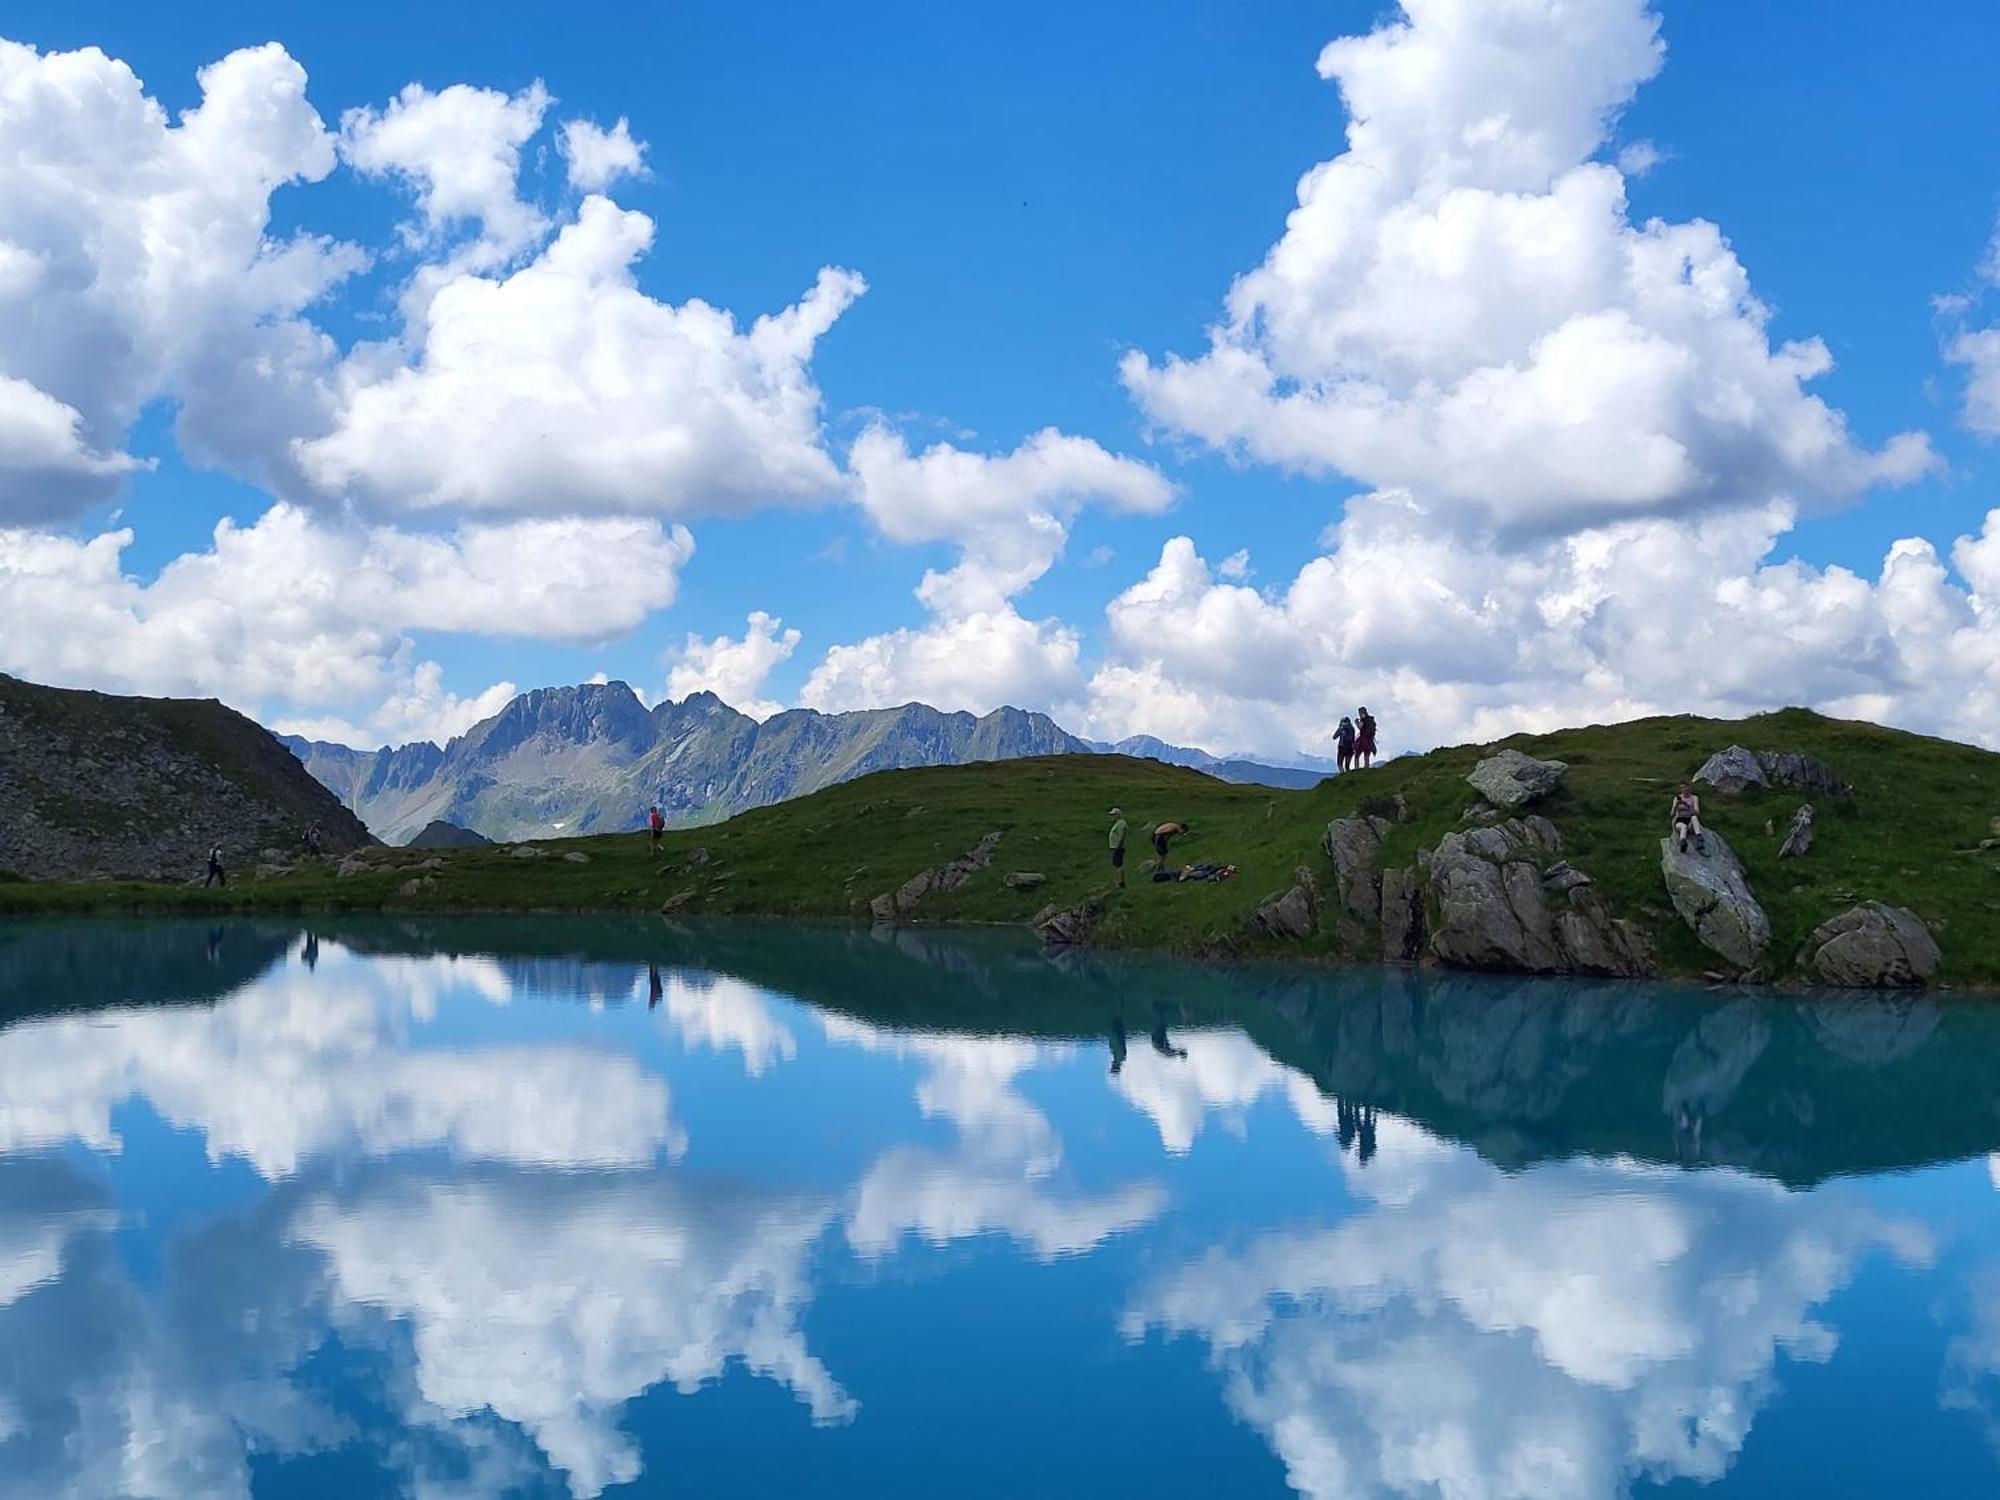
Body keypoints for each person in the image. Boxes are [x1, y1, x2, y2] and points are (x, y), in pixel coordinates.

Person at [1671, 782, 1706, 855]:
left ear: (1689, 788)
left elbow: (1697, 813)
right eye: (1682, 788)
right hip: (1680, 820)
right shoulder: (1677, 798)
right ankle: (1683, 842)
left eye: (1685, 787)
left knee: (1694, 817)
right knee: (1683, 827)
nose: (1683, 790)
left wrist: (1689, 806)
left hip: (1690, 820)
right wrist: (1676, 806)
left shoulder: (1694, 798)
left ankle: (1698, 836)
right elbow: (1672, 814)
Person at [1106, 807, 1128, 888]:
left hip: (1118, 847)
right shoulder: (1118, 823)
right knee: (1116, 864)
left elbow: (1122, 835)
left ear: (1118, 815)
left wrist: (1118, 845)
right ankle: (1119, 881)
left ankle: (1121, 882)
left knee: (1118, 864)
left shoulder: (1121, 823)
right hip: (1115, 846)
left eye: (1113, 815)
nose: (1112, 817)